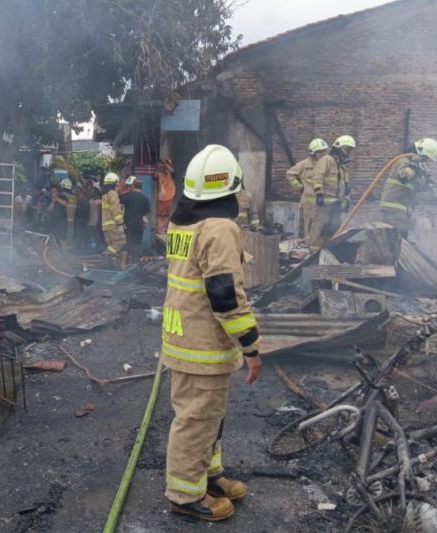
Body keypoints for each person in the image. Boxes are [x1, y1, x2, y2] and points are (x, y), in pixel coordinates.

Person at [163, 144, 262, 522]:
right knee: (196, 420)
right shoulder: (220, 227)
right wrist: (251, 346)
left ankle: (208, 475)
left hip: (185, 338)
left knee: (208, 417)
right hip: (201, 344)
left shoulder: (182, 223)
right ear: (230, 188)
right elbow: (224, 294)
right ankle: (185, 495)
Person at [378, 138, 437, 238]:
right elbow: (404, 177)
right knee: (395, 242)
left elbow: (415, 187)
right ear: (420, 152)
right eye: (425, 158)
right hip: (393, 210)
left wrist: (427, 185)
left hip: (402, 212)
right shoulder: (403, 160)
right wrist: (415, 165)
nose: (425, 161)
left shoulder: (413, 166)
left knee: (401, 243)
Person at [309, 135, 355, 252]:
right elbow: (318, 176)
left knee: (332, 229)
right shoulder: (327, 160)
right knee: (319, 227)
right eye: (347, 149)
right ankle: (314, 252)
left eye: (350, 150)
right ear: (338, 147)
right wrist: (319, 193)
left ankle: (328, 251)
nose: (348, 153)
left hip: (336, 204)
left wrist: (347, 201)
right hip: (324, 203)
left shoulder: (342, 167)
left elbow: (345, 186)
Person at [287, 138, 329, 238]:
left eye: (324, 151)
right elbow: (290, 174)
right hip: (309, 203)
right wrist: (299, 186)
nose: (323, 154)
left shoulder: (328, 164)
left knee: (323, 228)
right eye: (320, 152)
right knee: (309, 227)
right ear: (313, 153)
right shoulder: (304, 164)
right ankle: (310, 247)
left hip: (325, 202)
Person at [120, 176, 151, 259]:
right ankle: (135, 261)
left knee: (127, 243)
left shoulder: (127, 196)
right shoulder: (145, 199)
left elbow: (118, 204)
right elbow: (146, 213)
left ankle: (126, 261)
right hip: (139, 226)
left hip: (127, 225)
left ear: (133, 186)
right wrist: (144, 223)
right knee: (137, 244)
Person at [101, 172, 127, 269]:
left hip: (106, 227)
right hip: (113, 226)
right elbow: (114, 209)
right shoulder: (113, 193)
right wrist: (121, 222)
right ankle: (105, 253)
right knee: (121, 241)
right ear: (114, 183)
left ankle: (114, 268)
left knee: (113, 248)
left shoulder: (104, 195)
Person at [154, 159, 176, 236]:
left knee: (167, 214)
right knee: (160, 215)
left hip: (170, 196)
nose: (165, 166)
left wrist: (166, 165)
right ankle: (160, 229)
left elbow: (173, 171)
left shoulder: (171, 173)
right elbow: (155, 175)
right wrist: (159, 167)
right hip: (162, 198)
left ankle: (165, 228)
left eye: (167, 165)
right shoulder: (159, 174)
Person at [59, 177, 78, 250]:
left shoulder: (62, 195)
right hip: (72, 221)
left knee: (63, 240)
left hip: (64, 221)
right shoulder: (74, 197)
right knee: (69, 240)